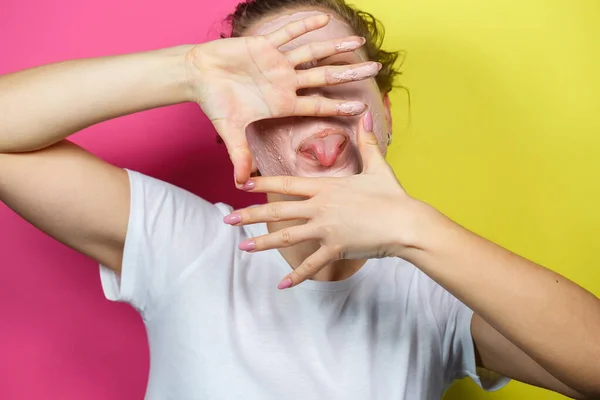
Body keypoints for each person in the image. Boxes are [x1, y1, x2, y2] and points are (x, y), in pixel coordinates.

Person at [0, 0, 598, 399]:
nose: (313, 107)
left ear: (383, 109)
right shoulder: (186, 242)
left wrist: (416, 232)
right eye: (278, 88)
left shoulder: (438, 289)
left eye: (336, 73)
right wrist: (187, 70)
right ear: (241, 139)